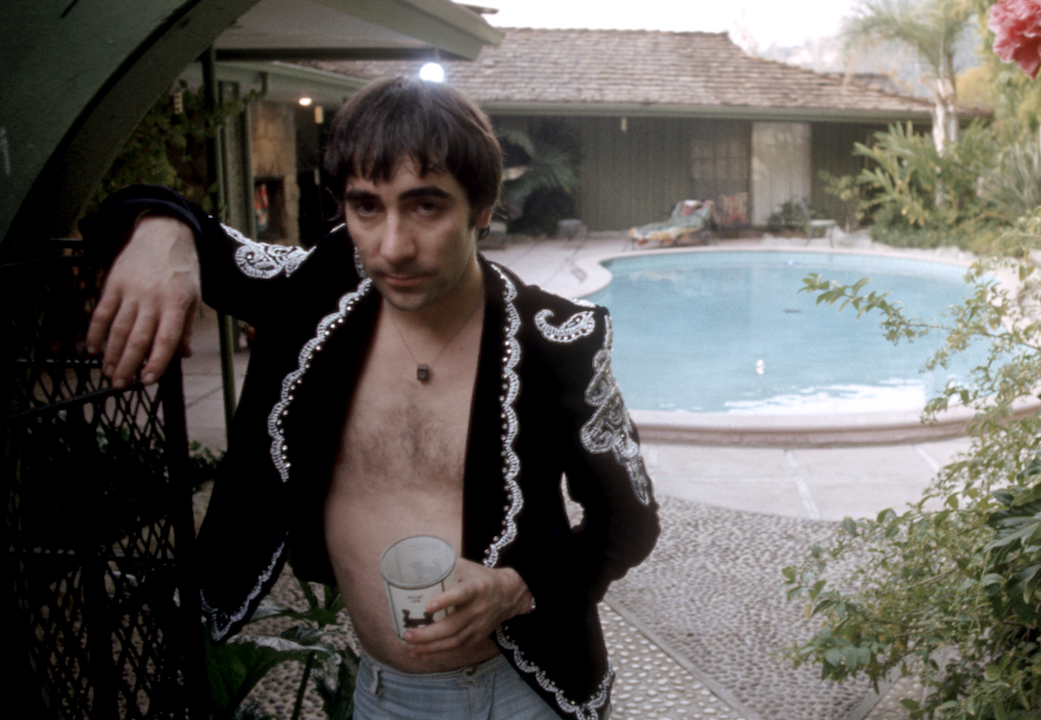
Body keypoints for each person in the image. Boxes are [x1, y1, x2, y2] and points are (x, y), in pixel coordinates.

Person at [81, 76, 660, 720]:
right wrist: (164, 235)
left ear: (484, 208)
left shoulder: (557, 343)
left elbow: (629, 521)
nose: (393, 247)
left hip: (529, 693)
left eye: (426, 206)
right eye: (366, 207)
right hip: (384, 699)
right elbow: (145, 214)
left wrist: (518, 586)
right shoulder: (313, 298)